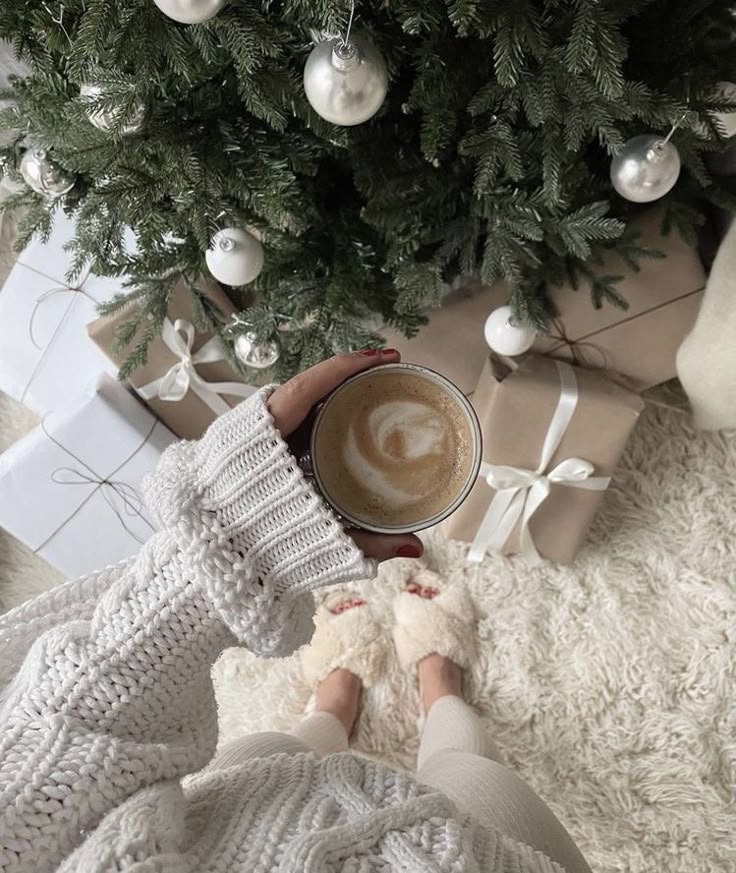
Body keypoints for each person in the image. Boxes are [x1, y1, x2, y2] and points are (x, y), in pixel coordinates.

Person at [0, 349, 592, 873]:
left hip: (225, 825)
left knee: (285, 746)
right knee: (465, 765)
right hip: (458, 858)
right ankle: (440, 680)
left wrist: (227, 547)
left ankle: (337, 695)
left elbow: (50, 770)